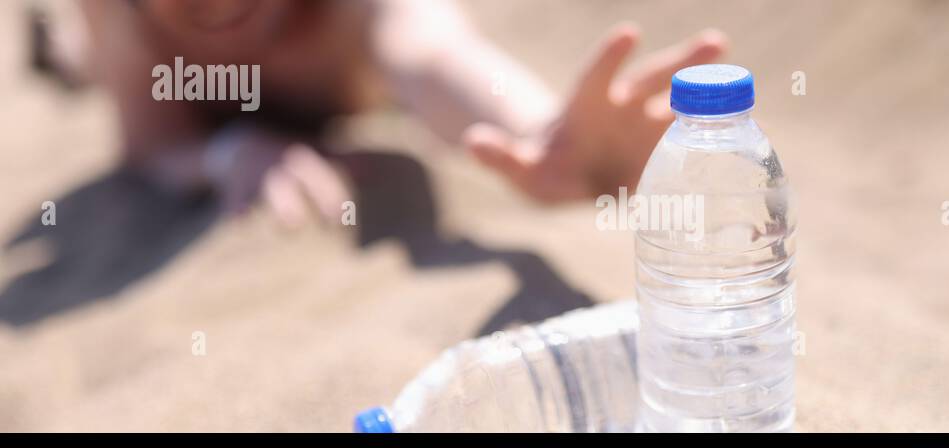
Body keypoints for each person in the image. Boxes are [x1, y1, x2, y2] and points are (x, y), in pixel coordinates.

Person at [50, 0, 727, 227]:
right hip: (129, 57)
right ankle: (60, 51)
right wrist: (230, 150)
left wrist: (545, 135)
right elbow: (150, 144)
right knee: (82, 60)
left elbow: (439, 58)